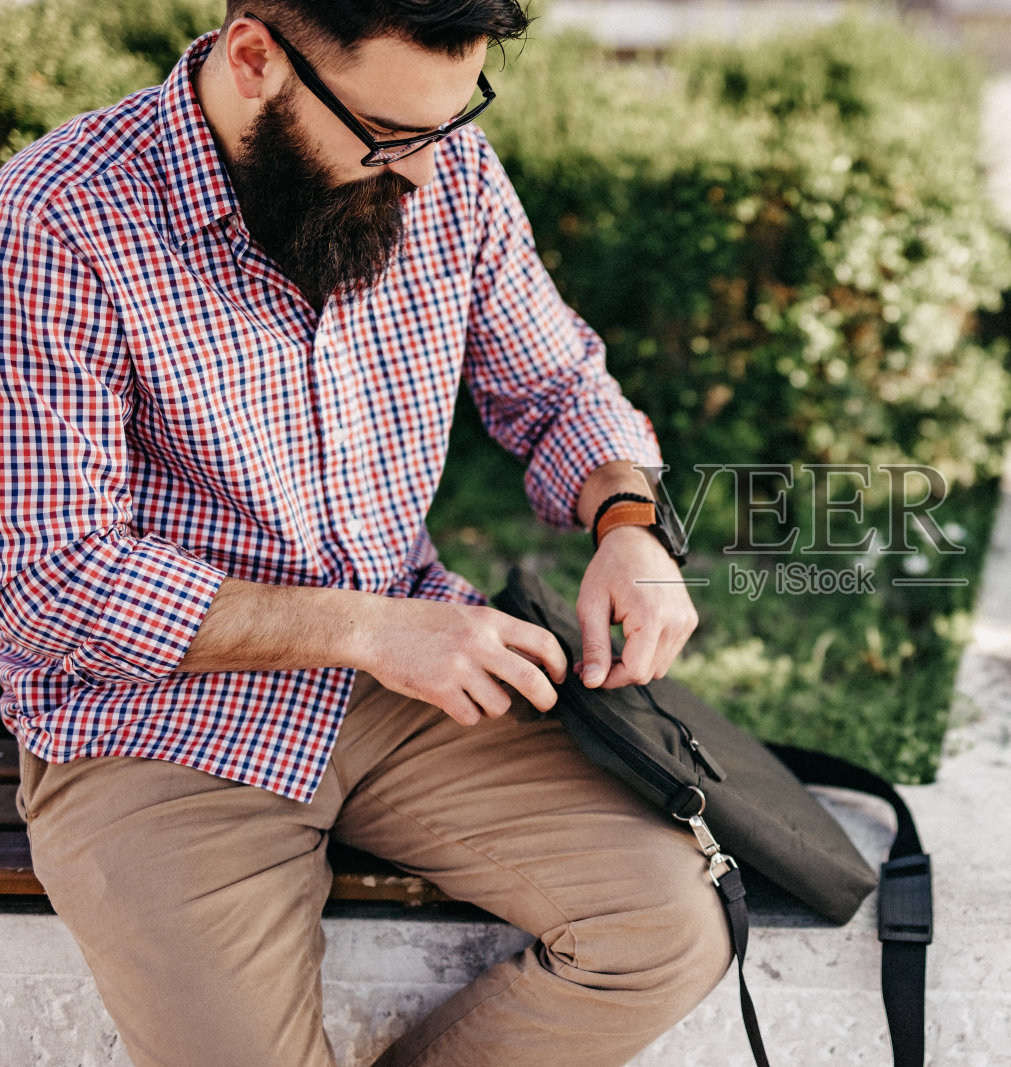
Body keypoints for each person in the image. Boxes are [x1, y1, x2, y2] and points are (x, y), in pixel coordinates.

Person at [0, 2, 731, 1064]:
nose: (427, 174)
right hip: (149, 725)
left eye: (448, 125)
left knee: (668, 928)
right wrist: (367, 630)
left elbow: (559, 386)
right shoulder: (53, 218)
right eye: (389, 137)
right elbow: (52, 580)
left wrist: (628, 524)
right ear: (256, 59)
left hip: (415, 685)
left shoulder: (453, 172)